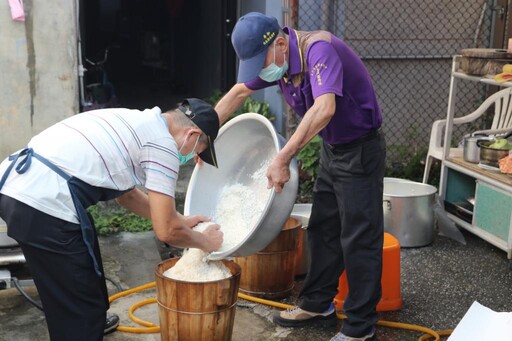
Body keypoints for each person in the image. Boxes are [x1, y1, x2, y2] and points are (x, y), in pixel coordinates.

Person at [215, 12, 386, 341]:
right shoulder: (276, 60)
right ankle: (318, 303)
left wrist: (282, 158)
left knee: (359, 237)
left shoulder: (319, 51)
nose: (261, 73)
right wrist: (204, 134)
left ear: (280, 44)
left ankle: (361, 327)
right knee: (323, 227)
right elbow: (238, 93)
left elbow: (324, 108)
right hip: (333, 149)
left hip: (360, 150)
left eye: (260, 62)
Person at [0, 98, 223, 341]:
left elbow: (127, 196)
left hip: (15, 186)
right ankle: (83, 326)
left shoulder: (141, 120)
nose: (190, 158)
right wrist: (204, 242)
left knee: (73, 278)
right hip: (44, 202)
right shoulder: (163, 146)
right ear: (192, 134)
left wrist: (179, 219)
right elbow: (167, 232)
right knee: (78, 304)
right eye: (196, 152)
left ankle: (89, 320)